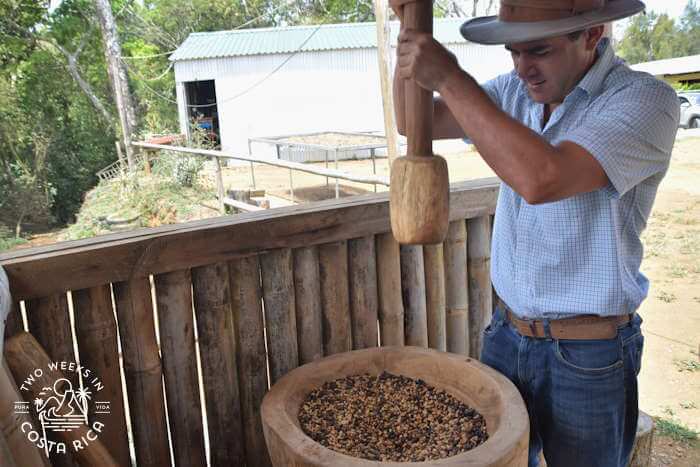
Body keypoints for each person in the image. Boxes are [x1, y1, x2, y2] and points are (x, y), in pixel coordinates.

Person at [389, 0, 680, 466]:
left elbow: (543, 178)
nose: (523, 68)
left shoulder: (646, 101)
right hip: (507, 335)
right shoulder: (515, 93)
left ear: (591, 34)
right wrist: (409, 28)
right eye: (513, 53)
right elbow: (415, 121)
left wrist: (448, 76)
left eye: (538, 51)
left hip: (589, 352)